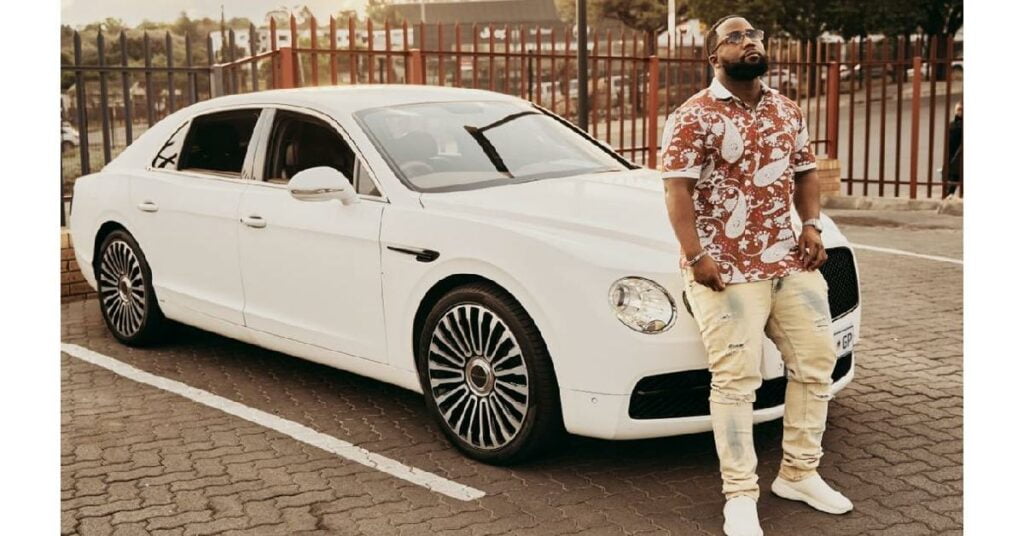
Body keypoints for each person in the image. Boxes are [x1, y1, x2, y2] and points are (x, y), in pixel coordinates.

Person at [660, 15, 853, 536]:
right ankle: (740, 495)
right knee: (736, 382)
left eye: (754, 36)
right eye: (735, 38)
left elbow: (804, 171)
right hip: (724, 269)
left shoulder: (786, 109)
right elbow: (676, 190)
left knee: (817, 363)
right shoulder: (692, 116)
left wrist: (812, 226)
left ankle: (798, 473)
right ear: (713, 57)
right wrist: (696, 255)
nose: (749, 43)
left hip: (788, 260)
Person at [945, 101, 963, 198]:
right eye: (958, 109)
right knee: (953, 177)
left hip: (959, 155)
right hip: (953, 155)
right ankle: (950, 194)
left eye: (962, 109)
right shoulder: (952, 124)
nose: (960, 112)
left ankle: (951, 194)